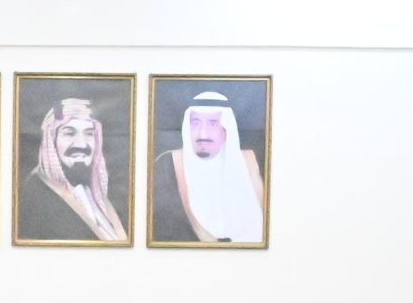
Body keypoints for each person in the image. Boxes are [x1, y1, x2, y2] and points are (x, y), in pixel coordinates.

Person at [149, 89, 265, 244]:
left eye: (213, 123)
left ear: (226, 129)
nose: (203, 134)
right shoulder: (166, 166)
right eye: (195, 123)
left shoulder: (252, 165)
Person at [16, 96, 128, 242]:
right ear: (51, 140)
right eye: (69, 133)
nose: (81, 144)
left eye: (89, 134)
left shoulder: (95, 193)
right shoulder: (37, 194)